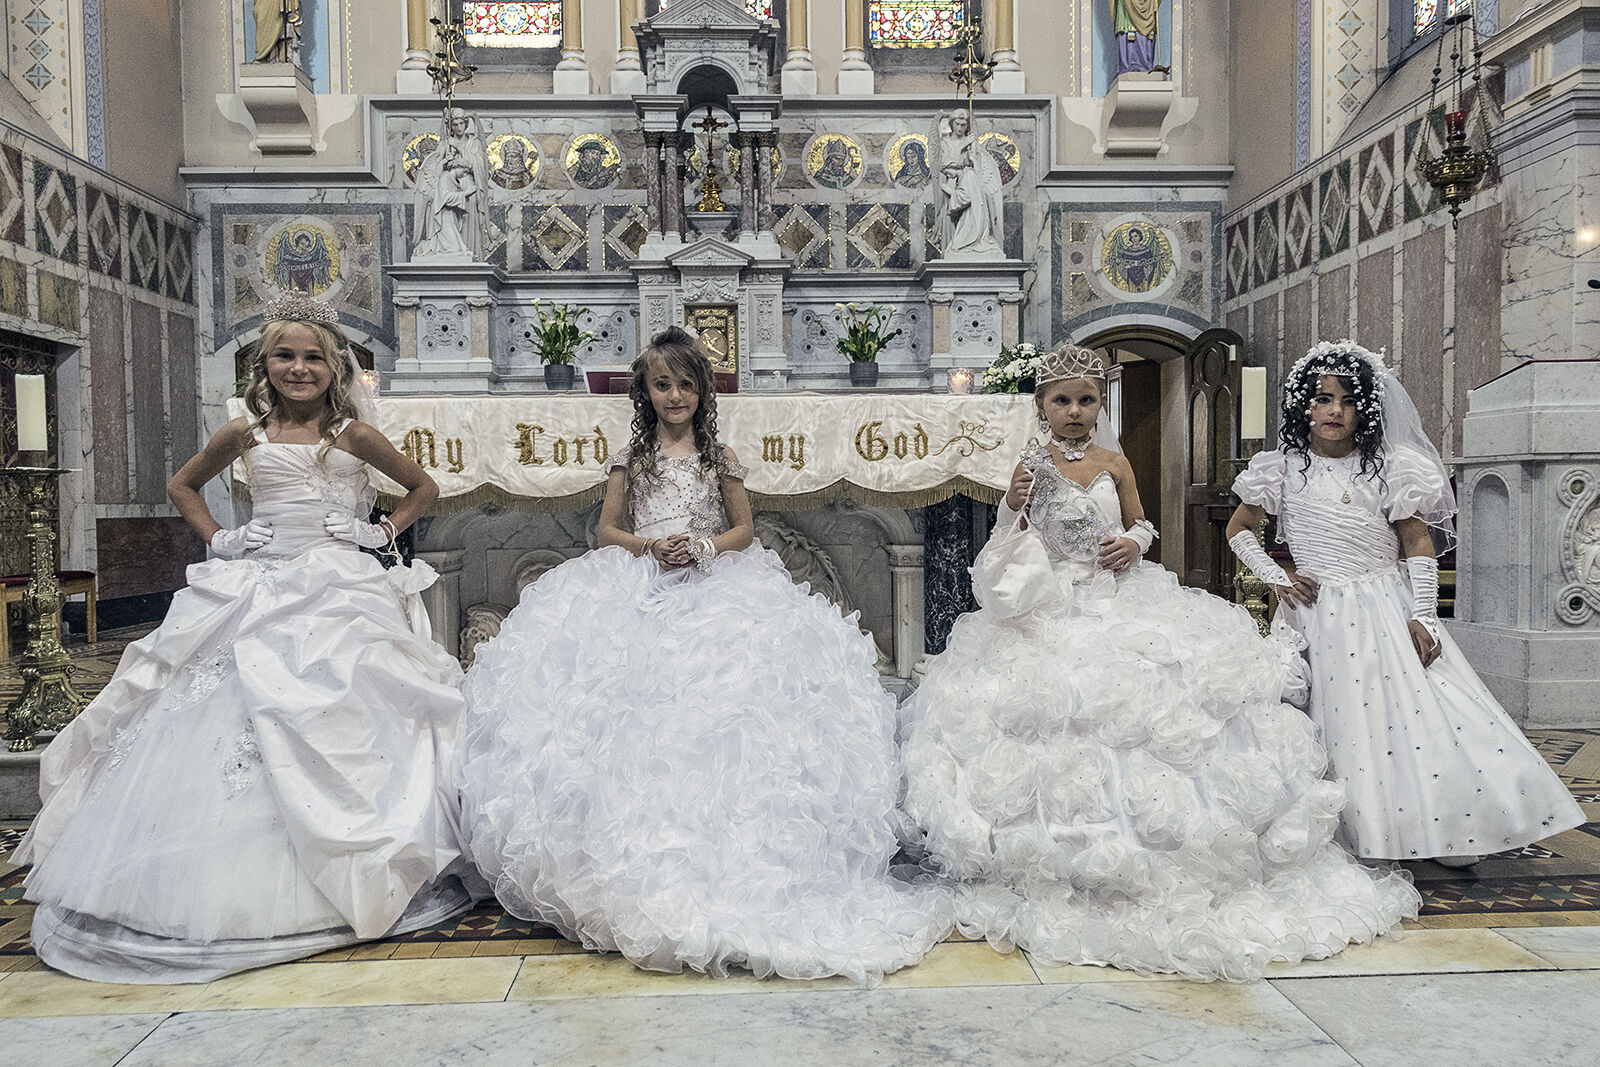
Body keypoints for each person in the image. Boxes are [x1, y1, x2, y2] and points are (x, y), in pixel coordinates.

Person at [900, 342, 1420, 982]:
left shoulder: (1116, 462)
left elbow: (1143, 525)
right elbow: (1013, 533)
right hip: (1051, 603)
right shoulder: (1028, 465)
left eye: (1086, 399)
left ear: (1099, 406)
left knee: (1165, 694)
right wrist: (1011, 501)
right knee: (1055, 704)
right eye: (1061, 400)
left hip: (1118, 595)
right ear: (1041, 406)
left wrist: (1131, 542)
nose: (1074, 411)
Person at [456, 326, 952, 986]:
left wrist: (706, 548)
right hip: (642, 585)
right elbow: (606, 529)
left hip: (715, 581)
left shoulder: (720, 455)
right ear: (644, 391)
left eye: (687, 383)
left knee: (736, 708)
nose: (676, 394)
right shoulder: (630, 459)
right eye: (663, 383)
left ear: (703, 390)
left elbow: (744, 529)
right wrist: (647, 546)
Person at [14, 293, 474, 983]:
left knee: (347, 704)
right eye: (285, 356)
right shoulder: (245, 434)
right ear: (264, 364)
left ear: (334, 366)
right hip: (258, 581)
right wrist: (222, 537)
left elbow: (423, 487)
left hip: (340, 588)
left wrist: (378, 532)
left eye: (313, 356)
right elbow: (183, 484)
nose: (299, 368)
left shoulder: (351, 435)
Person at [1228, 339, 1584, 868]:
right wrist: (1276, 577)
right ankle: (1341, 828)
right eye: (1323, 399)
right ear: (1304, 404)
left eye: (1348, 402)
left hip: (1381, 607)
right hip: (1314, 613)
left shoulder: (1392, 466)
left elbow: (1417, 543)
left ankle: (1442, 825)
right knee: (1330, 723)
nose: (1334, 412)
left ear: (1366, 410)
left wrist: (1423, 614)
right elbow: (1239, 531)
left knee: (1416, 718)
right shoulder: (1279, 468)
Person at [935, 111, 1005, 258]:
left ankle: (969, 243)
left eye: (963, 124)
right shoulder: (945, 142)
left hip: (965, 185)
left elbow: (978, 170)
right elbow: (944, 163)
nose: (960, 128)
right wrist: (962, 145)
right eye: (957, 124)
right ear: (951, 124)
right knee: (953, 226)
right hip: (952, 184)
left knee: (970, 219)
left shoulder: (971, 144)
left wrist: (975, 156)